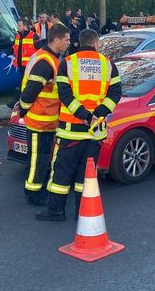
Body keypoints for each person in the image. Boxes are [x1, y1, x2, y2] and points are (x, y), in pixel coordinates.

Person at [36, 29, 122, 221]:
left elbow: (65, 95)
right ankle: (82, 212)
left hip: (70, 132)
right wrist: (97, 114)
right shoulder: (108, 64)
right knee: (86, 176)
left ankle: (56, 211)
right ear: (96, 43)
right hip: (94, 134)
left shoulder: (67, 63)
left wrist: (83, 115)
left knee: (61, 174)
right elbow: (115, 93)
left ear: (79, 42)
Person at [19, 24, 71, 205]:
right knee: (37, 160)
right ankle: (33, 194)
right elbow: (30, 91)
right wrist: (23, 111)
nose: (69, 43)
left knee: (41, 159)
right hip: (39, 120)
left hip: (47, 121)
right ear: (56, 40)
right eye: (66, 40)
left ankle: (37, 189)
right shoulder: (46, 62)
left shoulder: (49, 58)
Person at [6, 19, 41, 108]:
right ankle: (20, 101)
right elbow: (15, 47)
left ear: (25, 26)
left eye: (19, 25)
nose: (18, 27)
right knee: (23, 84)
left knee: (26, 85)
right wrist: (7, 52)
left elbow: (40, 51)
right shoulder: (18, 36)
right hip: (21, 66)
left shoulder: (34, 36)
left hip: (30, 67)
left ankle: (20, 102)